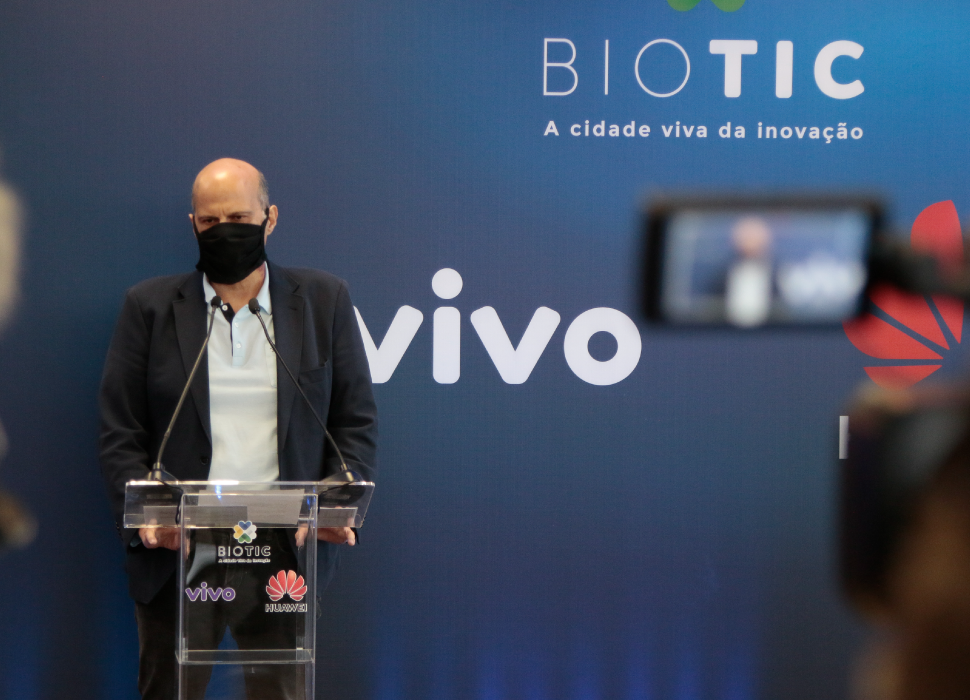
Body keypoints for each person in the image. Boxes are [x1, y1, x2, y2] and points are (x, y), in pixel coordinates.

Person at [99, 158, 378, 699]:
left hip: (285, 546)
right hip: (181, 548)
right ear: (193, 224)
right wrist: (150, 519)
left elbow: (354, 420)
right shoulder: (149, 307)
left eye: (238, 218)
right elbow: (120, 430)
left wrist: (336, 504)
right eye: (209, 221)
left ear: (270, 219)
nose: (223, 231)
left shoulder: (323, 301)